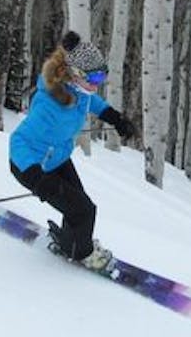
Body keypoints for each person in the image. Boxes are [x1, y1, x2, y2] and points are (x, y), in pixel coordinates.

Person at [9, 31, 137, 271]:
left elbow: (91, 102)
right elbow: (18, 141)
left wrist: (115, 118)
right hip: (31, 166)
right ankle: (83, 253)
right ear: (76, 74)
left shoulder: (79, 90)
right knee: (83, 210)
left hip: (56, 158)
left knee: (79, 205)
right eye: (95, 77)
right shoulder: (49, 106)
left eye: (102, 76)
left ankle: (71, 243)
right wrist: (37, 179)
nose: (98, 83)